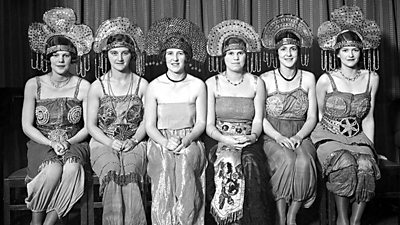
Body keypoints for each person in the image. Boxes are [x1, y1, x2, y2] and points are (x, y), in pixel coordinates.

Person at [311, 5, 382, 225]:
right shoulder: (325, 79)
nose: (350, 54)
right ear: (337, 53)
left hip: (358, 134)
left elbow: (369, 117)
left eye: (355, 50)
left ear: (361, 52)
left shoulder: (372, 78)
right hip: (328, 135)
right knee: (344, 162)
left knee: (366, 164)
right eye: (345, 50)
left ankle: (355, 221)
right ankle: (342, 219)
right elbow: (320, 114)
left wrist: (370, 147)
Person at [22, 7, 92, 225]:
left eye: (66, 55)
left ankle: (48, 223)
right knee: (52, 170)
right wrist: (50, 142)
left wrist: (67, 142)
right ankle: (36, 221)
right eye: (56, 55)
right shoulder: (34, 85)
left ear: (72, 58)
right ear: (48, 58)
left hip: (75, 142)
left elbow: (88, 127)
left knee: (72, 168)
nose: (61, 60)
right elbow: (27, 125)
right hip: (41, 142)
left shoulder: (83, 86)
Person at [144, 17, 208, 225]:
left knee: (186, 164)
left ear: (187, 57)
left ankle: (188, 221)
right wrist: (165, 143)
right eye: (170, 53)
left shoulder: (198, 85)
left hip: (189, 138)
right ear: (164, 57)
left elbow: (201, 123)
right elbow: (150, 126)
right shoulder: (154, 86)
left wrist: (187, 139)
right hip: (160, 140)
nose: (175, 58)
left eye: (180, 53)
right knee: (164, 167)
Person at [206, 20, 269, 225]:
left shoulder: (256, 83)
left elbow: (259, 119)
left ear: (246, 55)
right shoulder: (212, 83)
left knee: (250, 164)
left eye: (239, 53)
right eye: (231, 53)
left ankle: (252, 220)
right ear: (223, 57)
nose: (235, 57)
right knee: (228, 163)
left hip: (249, 140)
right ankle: (229, 221)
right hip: (221, 140)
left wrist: (251, 136)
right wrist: (226, 139)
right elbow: (208, 125)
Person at [88, 17, 148, 225]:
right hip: (103, 141)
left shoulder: (142, 85)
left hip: (136, 141)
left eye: (124, 52)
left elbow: (147, 121)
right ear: (107, 55)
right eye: (114, 53)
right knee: (113, 173)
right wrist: (109, 142)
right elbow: (91, 126)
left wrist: (134, 140)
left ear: (132, 54)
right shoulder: (97, 86)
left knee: (130, 174)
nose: (119, 58)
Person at [260, 14, 317, 225]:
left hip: (302, 133)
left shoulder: (309, 78)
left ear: (298, 51)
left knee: (302, 161)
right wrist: (278, 136)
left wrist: (299, 137)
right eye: (283, 49)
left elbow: (312, 117)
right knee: (287, 160)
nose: (288, 53)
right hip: (273, 134)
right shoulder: (265, 79)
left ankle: (292, 216)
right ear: (277, 52)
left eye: (292, 49)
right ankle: (281, 217)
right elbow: (260, 118)